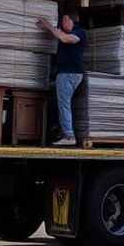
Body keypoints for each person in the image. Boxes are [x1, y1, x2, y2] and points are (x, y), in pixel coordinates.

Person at [37, 11, 86, 146]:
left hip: (69, 74)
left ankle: (69, 136)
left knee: (64, 104)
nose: (61, 24)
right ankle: (61, 131)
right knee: (58, 102)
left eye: (64, 20)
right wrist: (49, 30)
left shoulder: (80, 32)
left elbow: (66, 39)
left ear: (70, 20)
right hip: (65, 74)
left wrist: (48, 26)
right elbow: (60, 36)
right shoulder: (64, 32)